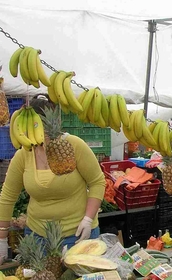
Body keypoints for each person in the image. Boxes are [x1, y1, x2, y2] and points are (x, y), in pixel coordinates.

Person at [0, 98, 106, 263]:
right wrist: (2, 239)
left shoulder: (73, 145)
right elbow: (7, 197)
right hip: (37, 237)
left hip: (77, 234)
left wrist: (88, 219)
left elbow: (97, 181)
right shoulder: (23, 154)